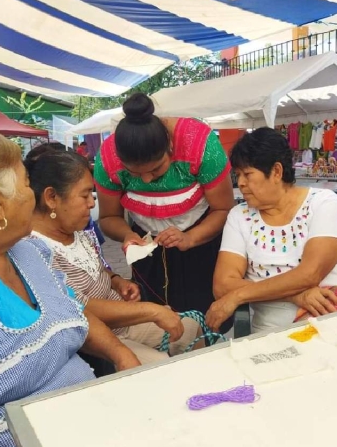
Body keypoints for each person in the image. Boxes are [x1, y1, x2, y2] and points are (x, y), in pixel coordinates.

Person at [0, 130, 140, 447]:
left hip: (92, 424)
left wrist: (121, 355)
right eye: (27, 183)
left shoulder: (25, 251)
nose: (33, 196)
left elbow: (73, 313)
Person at [26, 150, 202, 364]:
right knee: (158, 365)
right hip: (96, 339)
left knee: (191, 328)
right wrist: (150, 311)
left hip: (124, 323)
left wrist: (117, 281)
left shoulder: (78, 233)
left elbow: (99, 270)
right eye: (85, 195)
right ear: (51, 197)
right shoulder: (34, 250)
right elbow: (81, 307)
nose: (92, 203)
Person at [206, 128, 337, 333]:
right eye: (238, 175)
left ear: (277, 172)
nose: (241, 183)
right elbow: (222, 285)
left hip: (331, 320)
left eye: (247, 174)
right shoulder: (239, 216)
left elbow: (309, 274)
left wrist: (238, 294)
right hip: (270, 332)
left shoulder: (321, 202)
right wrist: (296, 295)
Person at [94, 93, 234, 320]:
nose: (147, 180)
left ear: (170, 145)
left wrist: (190, 238)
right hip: (145, 241)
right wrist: (128, 235)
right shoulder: (108, 158)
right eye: (135, 173)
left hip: (202, 237)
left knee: (203, 309)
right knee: (155, 312)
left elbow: (224, 209)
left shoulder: (200, 144)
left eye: (157, 169)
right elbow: (109, 217)